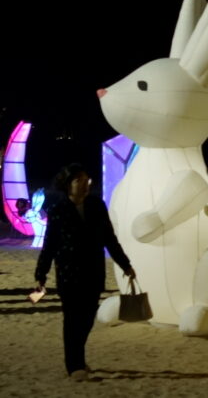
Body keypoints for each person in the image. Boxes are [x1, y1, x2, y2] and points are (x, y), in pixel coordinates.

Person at [33, 163, 135, 381]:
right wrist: (41, 274)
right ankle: (75, 364)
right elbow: (50, 244)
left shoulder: (97, 205)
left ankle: (77, 356)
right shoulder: (58, 209)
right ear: (68, 184)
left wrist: (125, 264)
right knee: (72, 319)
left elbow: (109, 238)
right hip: (68, 273)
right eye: (78, 180)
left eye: (86, 179)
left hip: (93, 271)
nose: (84, 184)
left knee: (87, 318)